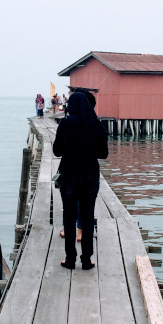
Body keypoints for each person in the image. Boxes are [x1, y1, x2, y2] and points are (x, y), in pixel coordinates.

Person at [52, 91, 108, 269]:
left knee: (69, 218)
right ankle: (86, 260)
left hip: (69, 176)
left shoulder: (66, 124)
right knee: (88, 217)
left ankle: (70, 260)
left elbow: (57, 151)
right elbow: (103, 154)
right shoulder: (97, 125)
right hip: (90, 177)